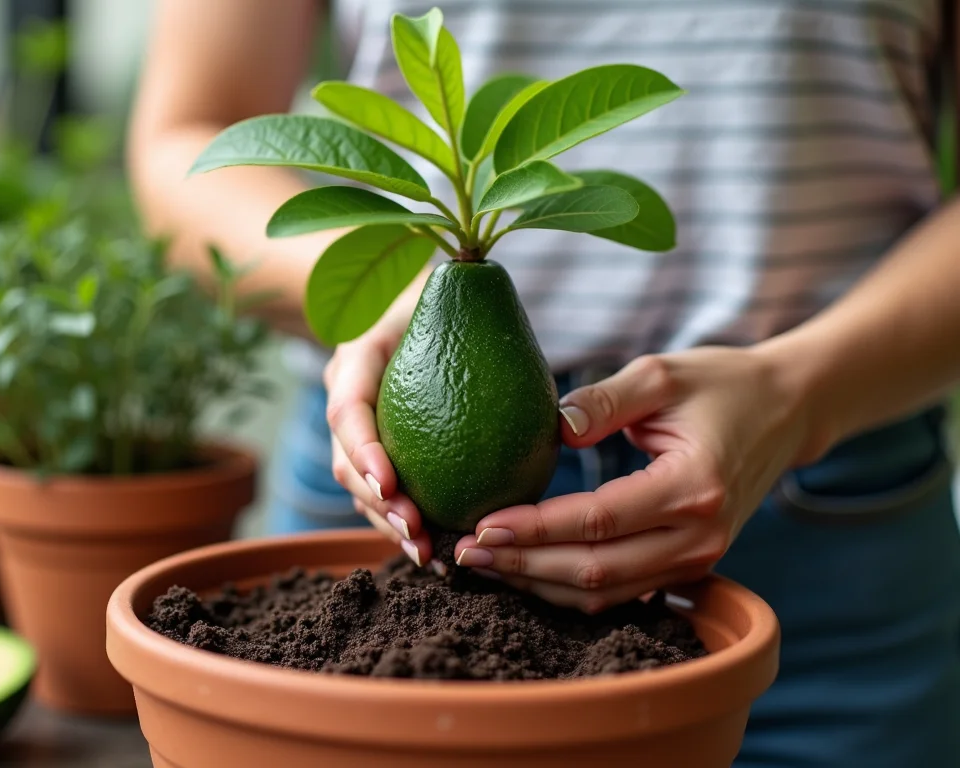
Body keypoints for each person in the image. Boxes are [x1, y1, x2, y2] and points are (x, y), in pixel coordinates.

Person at [128, 1, 960, 765]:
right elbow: (190, 144)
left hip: (818, 509)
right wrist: (406, 297)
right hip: (389, 502)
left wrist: (796, 395)